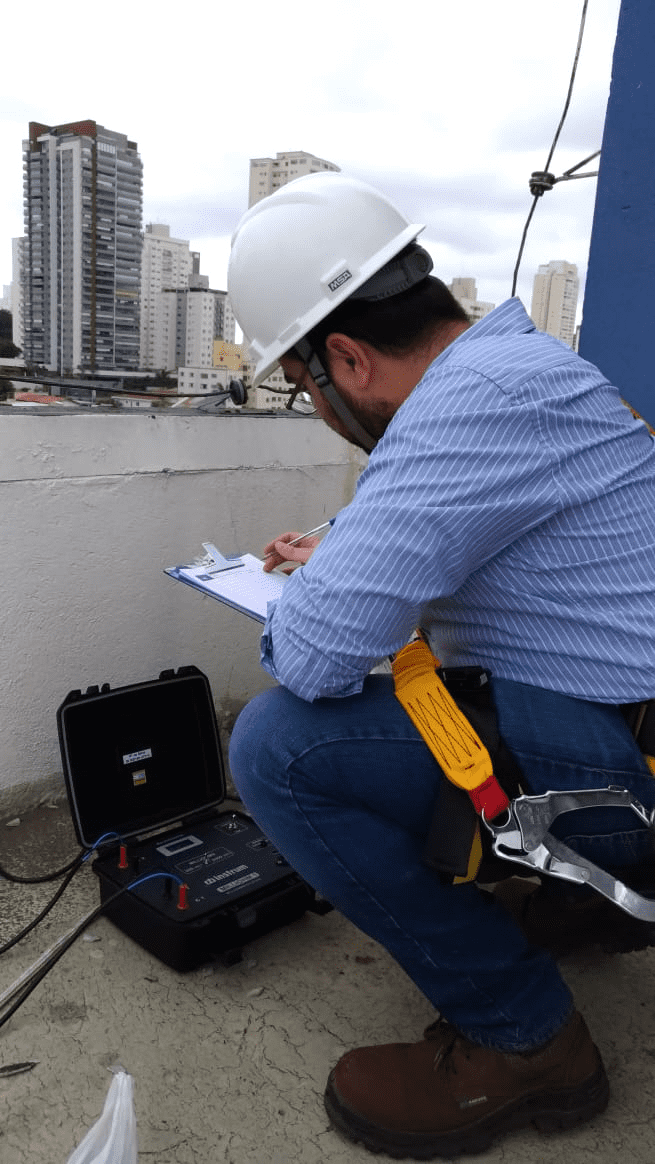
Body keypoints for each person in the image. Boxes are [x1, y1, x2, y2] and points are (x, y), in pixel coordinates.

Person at [226, 172, 655, 1158]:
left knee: (278, 747)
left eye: (302, 388)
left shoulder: (463, 410)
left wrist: (316, 595)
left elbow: (315, 657)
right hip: (626, 729)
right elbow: (474, 512)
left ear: (344, 357)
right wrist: (345, 546)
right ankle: (577, 904)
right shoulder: (516, 367)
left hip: (624, 781)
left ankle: (527, 1037)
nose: (316, 406)